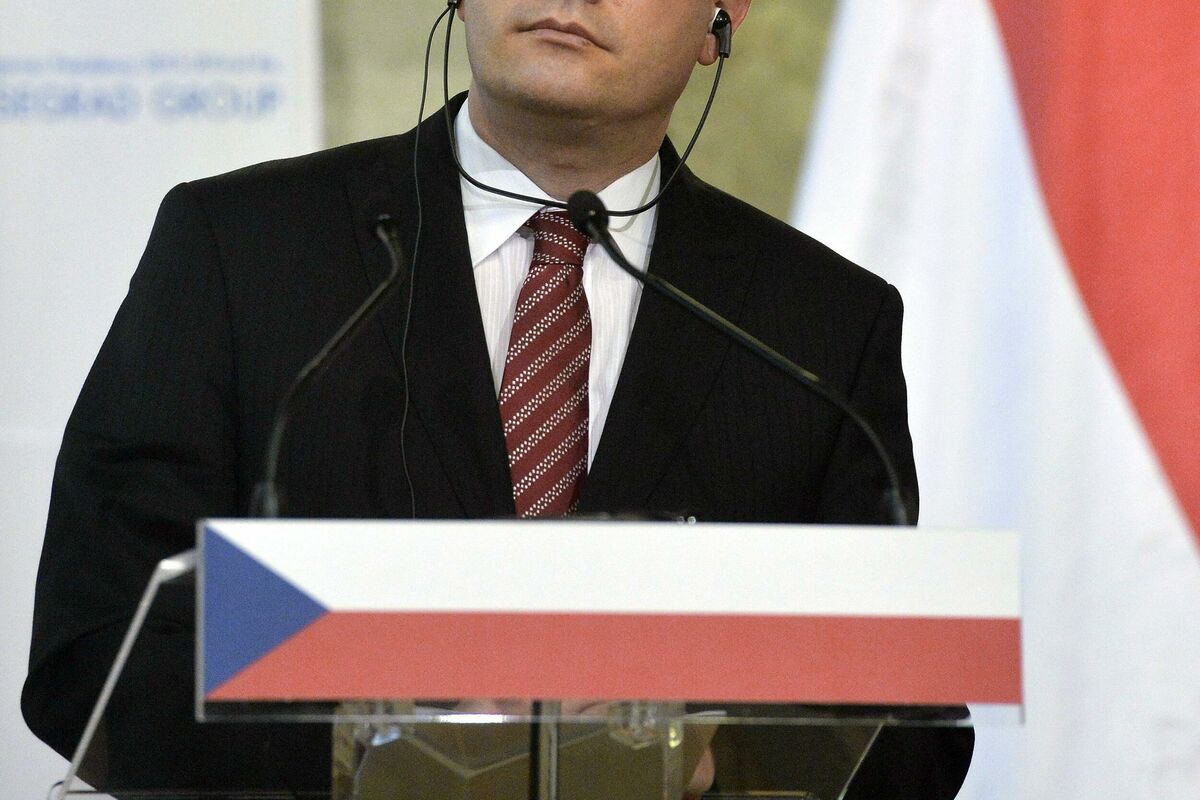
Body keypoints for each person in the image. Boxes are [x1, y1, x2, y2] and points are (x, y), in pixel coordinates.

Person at [23, 1, 973, 797]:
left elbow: (911, 731)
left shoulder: (817, 324)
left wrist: (703, 755)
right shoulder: (241, 249)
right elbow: (94, 649)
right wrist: (381, 744)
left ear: (722, 17)